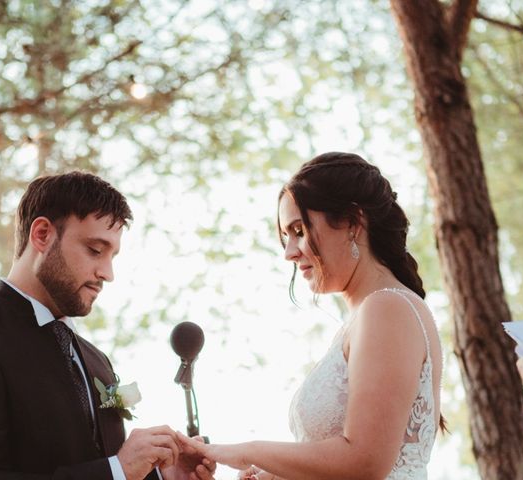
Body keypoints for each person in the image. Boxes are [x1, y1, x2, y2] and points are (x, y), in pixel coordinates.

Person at [0, 172, 214, 480]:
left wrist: (160, 477)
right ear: (43, 235)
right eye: (95, 250)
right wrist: (116, 470)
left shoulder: (96, 360)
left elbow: (108, 470)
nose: (107, 273)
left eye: (113, 256)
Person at [179, 152, 444, 479]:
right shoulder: (366, 317)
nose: (289, 252)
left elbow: (365, 461)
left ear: (351, 223)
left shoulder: (386, 307)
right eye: (286, 236)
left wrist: (245, 450)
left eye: (299, 230)